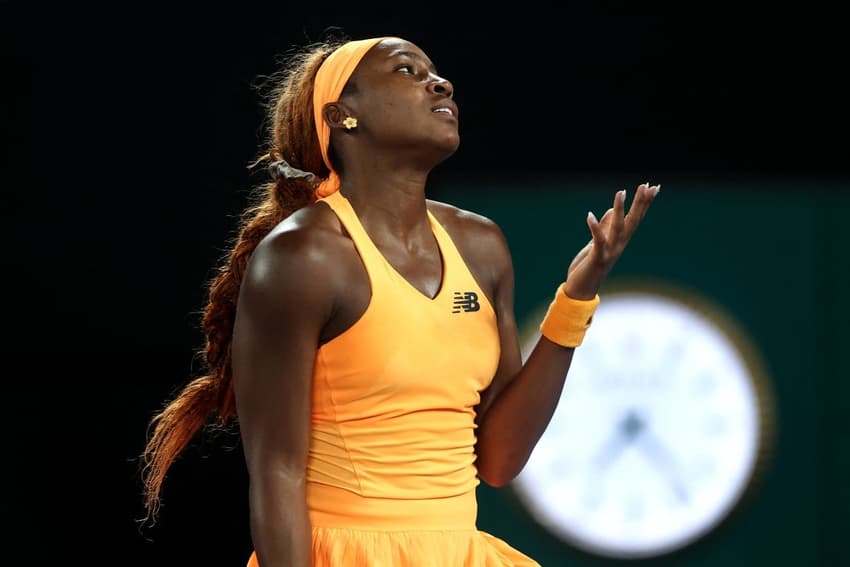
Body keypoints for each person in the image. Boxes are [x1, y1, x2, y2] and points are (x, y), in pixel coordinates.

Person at [140, 32, 660, 567]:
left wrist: (574, 302)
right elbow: (277, 473)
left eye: (435, 71)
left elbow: (500, 459)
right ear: (344, 115)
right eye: (406, 71)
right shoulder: (303, 256)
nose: (441, 82)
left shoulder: (481, 246)